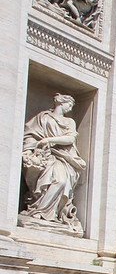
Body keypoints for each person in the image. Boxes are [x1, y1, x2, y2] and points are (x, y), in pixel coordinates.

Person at [20, 93, 86, 230]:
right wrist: (30, 149)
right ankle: (38, 211)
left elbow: (70, 139)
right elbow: (31, 134)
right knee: (47, 181)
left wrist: (49, 140)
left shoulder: (70, 122)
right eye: (69, 104)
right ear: (61, 102)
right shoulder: (42, 117)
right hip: (45, 155)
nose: (70, 107)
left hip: (63, 157)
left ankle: (47, 213)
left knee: (61, 181)